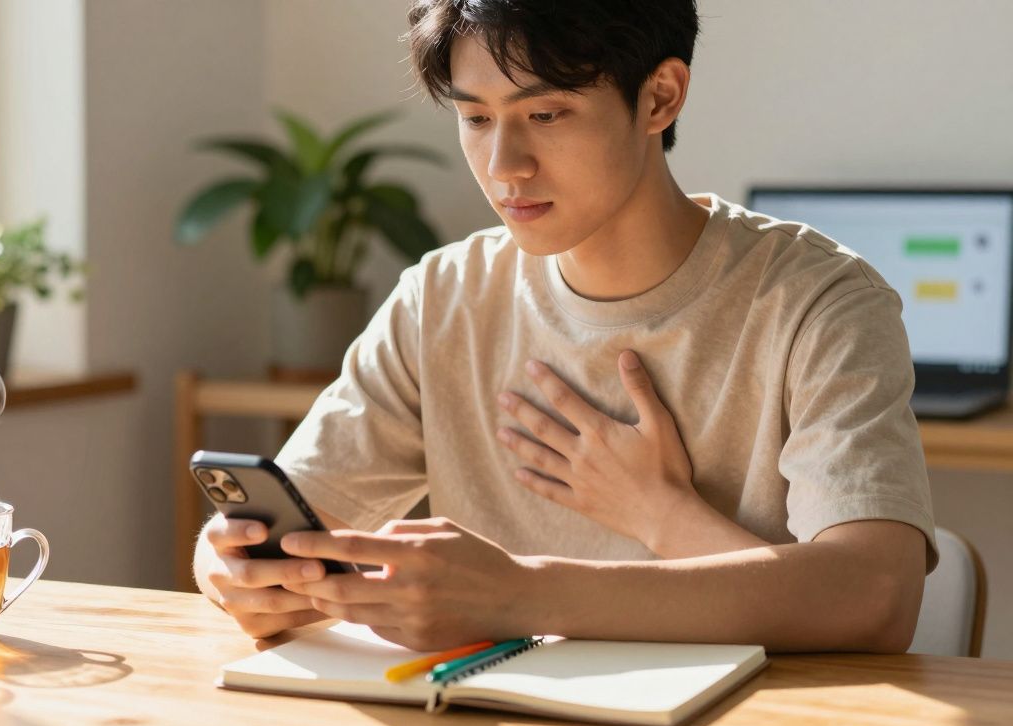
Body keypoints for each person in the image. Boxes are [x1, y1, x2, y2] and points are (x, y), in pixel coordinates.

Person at [193, 0, 937, 653]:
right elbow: (275, 524)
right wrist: (237, 571)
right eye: (476, 118)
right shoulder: (442, 300)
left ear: (660, 97)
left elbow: (876, 595)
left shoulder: (821, 301)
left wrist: (569, 568)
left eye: (545, 115)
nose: (504, 165)